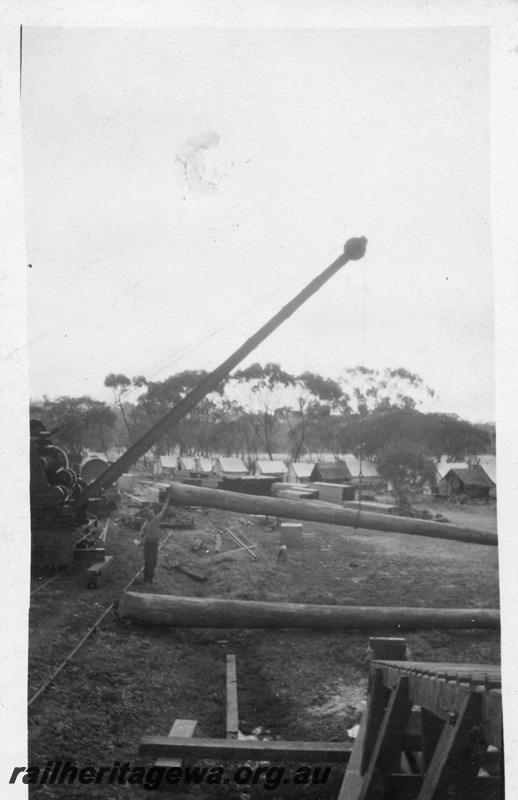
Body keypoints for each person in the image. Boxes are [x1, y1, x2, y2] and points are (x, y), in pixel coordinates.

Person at [139, 490, 170, 584]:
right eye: (151, 511)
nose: (153, 512)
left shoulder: (146, 524)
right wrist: (168, 500)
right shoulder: (155, 520)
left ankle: (146, 578)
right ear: (150, 515)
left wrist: (141, 541)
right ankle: (150, 579)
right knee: (153, 561)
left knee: (147, 561)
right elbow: (164, 510)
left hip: (147, 543)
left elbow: (142, 534)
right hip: (153, 543)